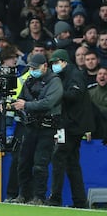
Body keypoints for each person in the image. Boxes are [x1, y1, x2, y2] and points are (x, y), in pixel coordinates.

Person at [10, 54, 63, 205]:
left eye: (35, 68)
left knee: (40, 163)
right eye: (31, 67)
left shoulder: (55, 82)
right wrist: (11, 105)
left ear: (45, 66)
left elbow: (47, 103)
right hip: (30, 126)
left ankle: (39, 196)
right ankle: (23, 195)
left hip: (47, 128)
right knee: (23, 162)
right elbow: (20, 99)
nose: (32, 70)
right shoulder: (29, 80)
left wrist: (26, 105)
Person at [46, 49, 95, 208]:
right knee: (72, 163)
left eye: (55, 62)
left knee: (59, 158)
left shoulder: (74, 74)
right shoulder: (67, 74)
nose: (54, 65)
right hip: (71, 125)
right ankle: (80, 201)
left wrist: (57, 93)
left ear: (64, 61)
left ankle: (55, 198)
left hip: (70, 125)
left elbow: (75, 95)